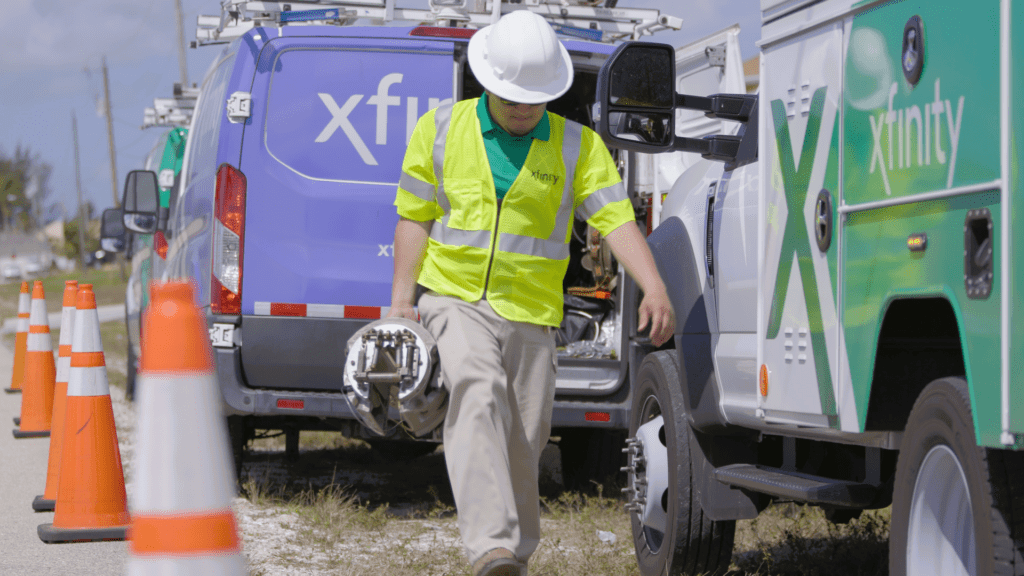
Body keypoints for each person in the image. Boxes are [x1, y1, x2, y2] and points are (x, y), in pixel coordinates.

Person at [388, 10, 675, 576]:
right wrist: (402, 298)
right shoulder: (440, 130)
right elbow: (413, 218)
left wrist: (655, 285)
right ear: (488, 82)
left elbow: (616, 220)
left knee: (526, 435)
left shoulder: (578, 146)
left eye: (534, 99)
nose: (523, 110)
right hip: (453, 295)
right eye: (512, 97)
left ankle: (513, 558)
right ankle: (490, 546)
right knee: (474, 386)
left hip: (531, 312)